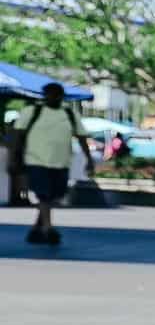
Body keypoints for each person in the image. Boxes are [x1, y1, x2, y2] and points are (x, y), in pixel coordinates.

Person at [15, 82, 94, 246]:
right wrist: (15, 158)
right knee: (43, 194)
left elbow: (81, 136)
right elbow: (18, 136)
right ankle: (48, 229)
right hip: (36, 160)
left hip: (61, 162)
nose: (53, 98)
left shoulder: (69, 113)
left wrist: (89, 159)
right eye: (49, 94)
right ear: (44, 96)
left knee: (54, 195)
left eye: (56, 95)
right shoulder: (32, 112)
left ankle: (37, 227)